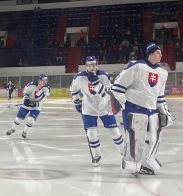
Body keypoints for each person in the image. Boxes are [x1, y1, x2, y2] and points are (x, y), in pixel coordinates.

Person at [111, 43, 173, 175]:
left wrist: (164, 111)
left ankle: (146, 161)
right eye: (157, 52)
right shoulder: (137, 66)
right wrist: (122, 104)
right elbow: (118, 87)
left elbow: (160, 95)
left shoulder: (163, 72)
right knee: (135, 138)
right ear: (150, 53)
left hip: (152, 110)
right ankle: (131, 164)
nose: (161, 55)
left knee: (154, 137)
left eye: (161, 52)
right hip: (134, 108)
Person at [70, 56, 124, 166]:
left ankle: (125, 153)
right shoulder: (79, 77)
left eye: (93, 65)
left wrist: (96, 83)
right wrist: (76, 101)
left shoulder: (104, 76)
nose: (92, 67)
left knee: (115, 132)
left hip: (105, 107)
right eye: (89, 65)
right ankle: (96, 156)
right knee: (91, 134)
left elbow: (109, 93)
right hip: (88, 109)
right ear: (86, 66)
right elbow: (73, 89)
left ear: (97, 65)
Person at [6, 74, 51, 139]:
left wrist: (36, 103)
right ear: (39, 80)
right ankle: (13, 129)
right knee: (18, 119)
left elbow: (44, 98)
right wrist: (26, 99)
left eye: (46, 80)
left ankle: (25, 132)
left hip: (36, 107)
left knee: (31, 120)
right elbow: (25, 92)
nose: (44, 82)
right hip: (26, 105)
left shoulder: (47, 88)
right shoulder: (31, 85)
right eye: (43, 80)